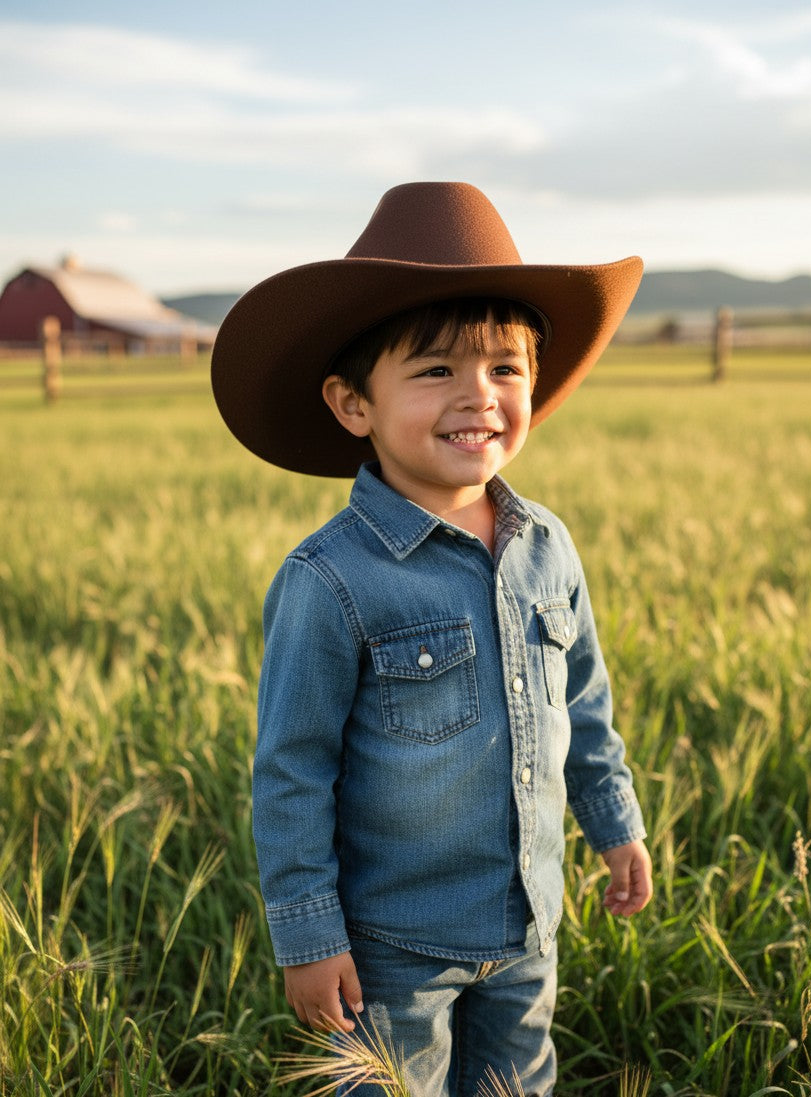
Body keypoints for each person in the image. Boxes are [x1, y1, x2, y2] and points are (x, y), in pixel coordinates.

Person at [211, 181, 653, 1097]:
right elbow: (291, 769)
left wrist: (615, 824)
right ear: (352, 404)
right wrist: (309, 935)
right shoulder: (332, 580)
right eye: (436, 370)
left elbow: (585, 703)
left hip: (530, 928)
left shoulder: (546, 545)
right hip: (391, 949)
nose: (479, 397)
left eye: (505, 368)